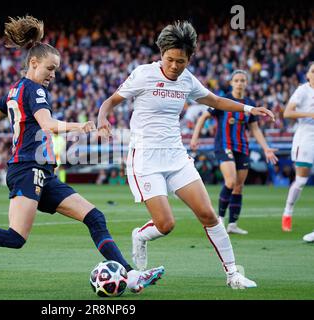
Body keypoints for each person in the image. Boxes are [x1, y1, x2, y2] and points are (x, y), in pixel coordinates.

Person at [0, 15, 164, 293]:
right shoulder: (34, 90)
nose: (53, 74)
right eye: (50, 68)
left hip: (43, 173)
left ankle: (131, 277)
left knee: (95, 218)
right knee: (15, 237)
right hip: (27, 168)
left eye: (56, 70)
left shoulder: (15, 89)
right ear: (33, 63)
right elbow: (47, 125)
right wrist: (80, 126)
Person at [97, 21, 275, 289]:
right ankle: (141, 236)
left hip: (176, 158)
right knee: (166, 224)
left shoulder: (188, 79)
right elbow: (111, 101)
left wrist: (250, 109)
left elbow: (215, 101)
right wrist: (102, 120)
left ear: (189, 58)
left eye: (181, 61)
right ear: (161, 53)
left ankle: (233, 275)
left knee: (209, 215)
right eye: (169, 59)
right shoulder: (143, 74)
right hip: (145, 159)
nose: (174, 66)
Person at [190, 70, 278, 235]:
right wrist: (195, 138)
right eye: (236, 80)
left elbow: (255, 129)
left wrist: (266, 148)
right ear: (231, 83)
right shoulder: (222, 100)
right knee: (230, 182)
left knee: (238, 187)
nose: (239, 83)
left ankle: (233, 224)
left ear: (246, 83)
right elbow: (203, 117)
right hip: (224, 146)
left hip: (242, 147)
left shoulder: (250, 103)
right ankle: (220, 221)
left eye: (242, 80)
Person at [281, 62, 314, 232]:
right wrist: (310, 114)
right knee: (301, 180)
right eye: (313, 71)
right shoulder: (303, 90)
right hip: (306, 137)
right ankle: (287, 212)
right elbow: (287, 113)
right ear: (308, 75)